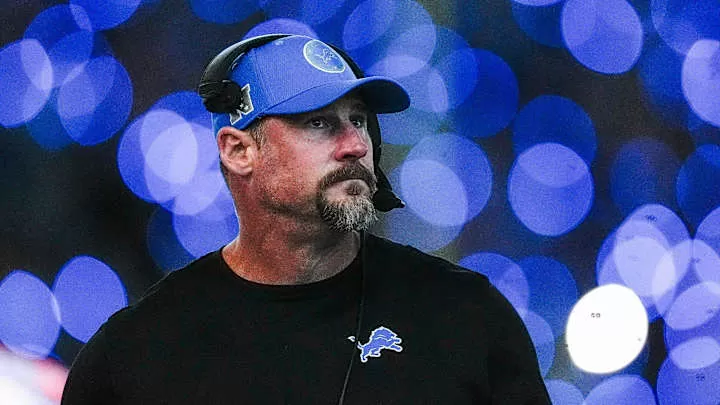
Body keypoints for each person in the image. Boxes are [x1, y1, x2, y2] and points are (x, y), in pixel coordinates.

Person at [61, 34, 551, 404]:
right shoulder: (133, 357)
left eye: (358, 119)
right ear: (238, 150)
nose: (356, 145)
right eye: (319, 122)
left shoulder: (467, 316)